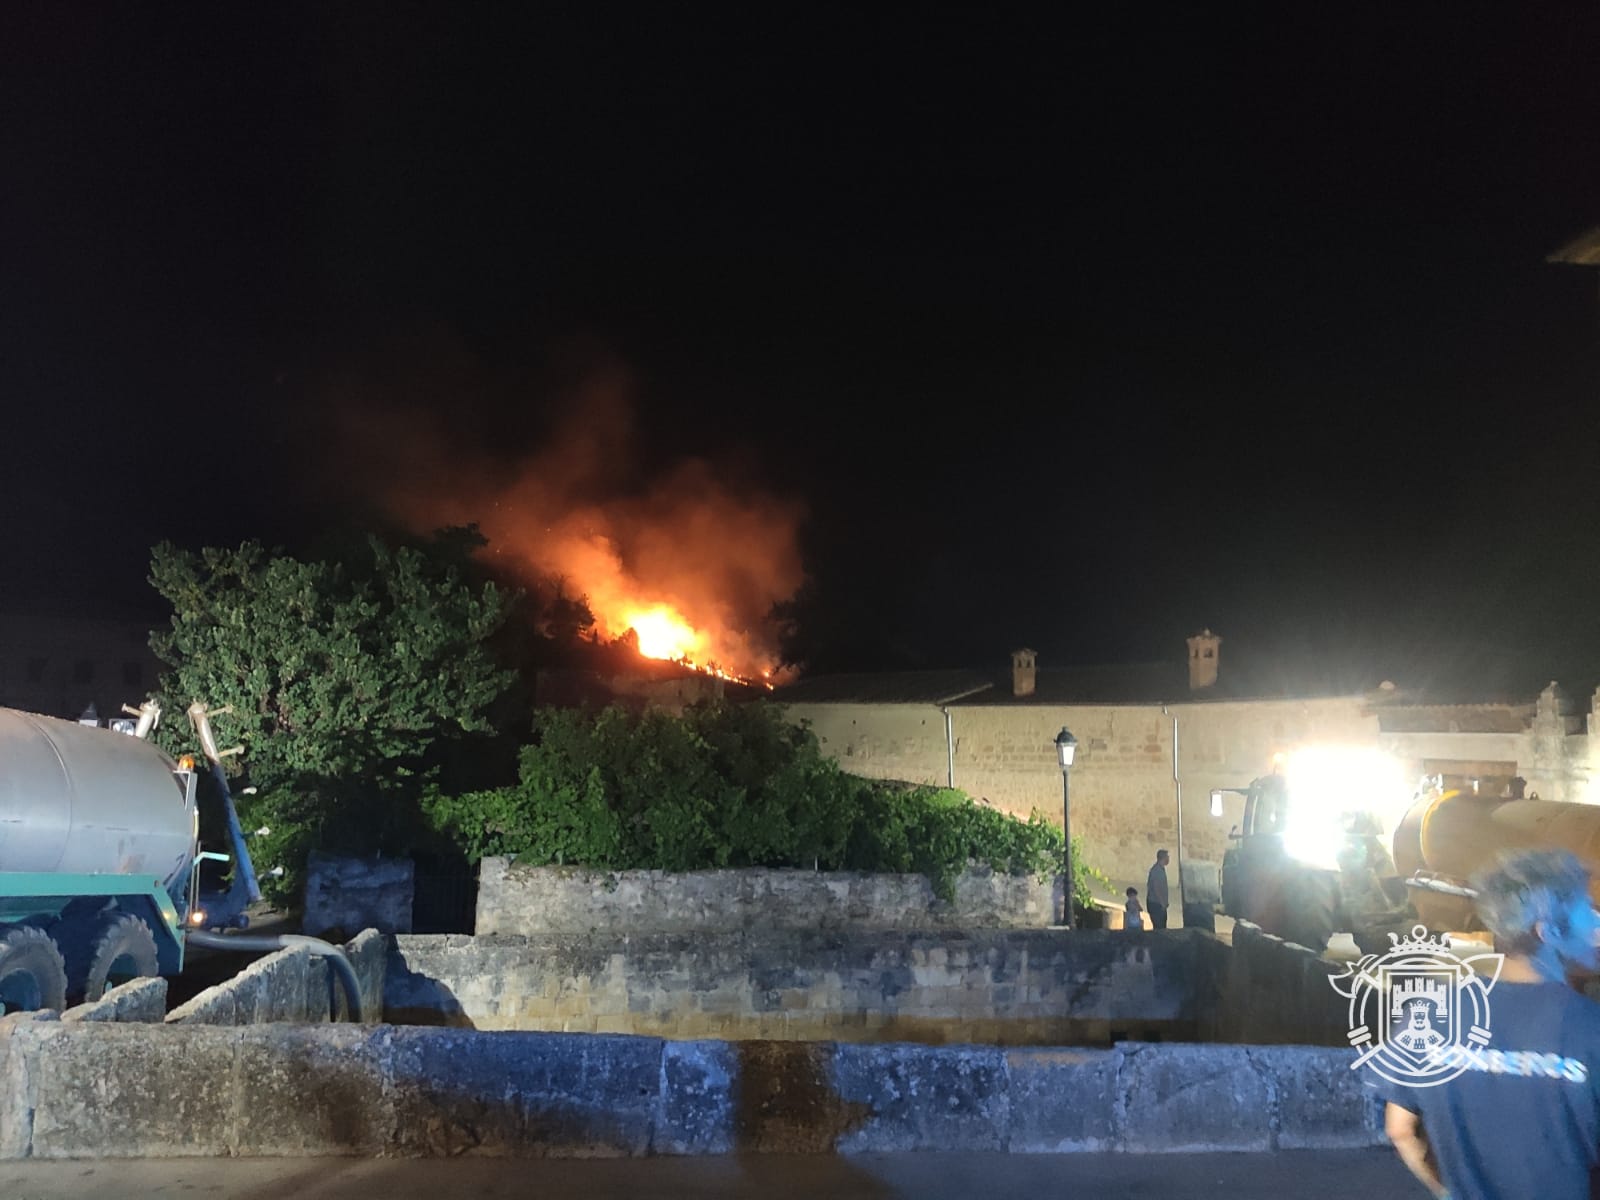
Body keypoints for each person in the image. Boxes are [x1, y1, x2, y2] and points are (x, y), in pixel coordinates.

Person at [1379, 848, 1600, 1200]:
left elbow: (1400, 1130)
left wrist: (1448, 1193)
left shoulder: (1433, 1013)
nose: (1597, 923)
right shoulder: (1591, 1027)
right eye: (1586, 912)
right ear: (1547, 932)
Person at [1146, 849, 1170, 929]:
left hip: (1158, 903)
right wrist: (1162, 903)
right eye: (1167, 857)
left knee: (1161, 925)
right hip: (1156, 904)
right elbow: (1156, 888)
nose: (1168, 859)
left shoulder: (1161, 869)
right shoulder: (1156, 871)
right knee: (1159, 927)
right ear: (1163, 858)